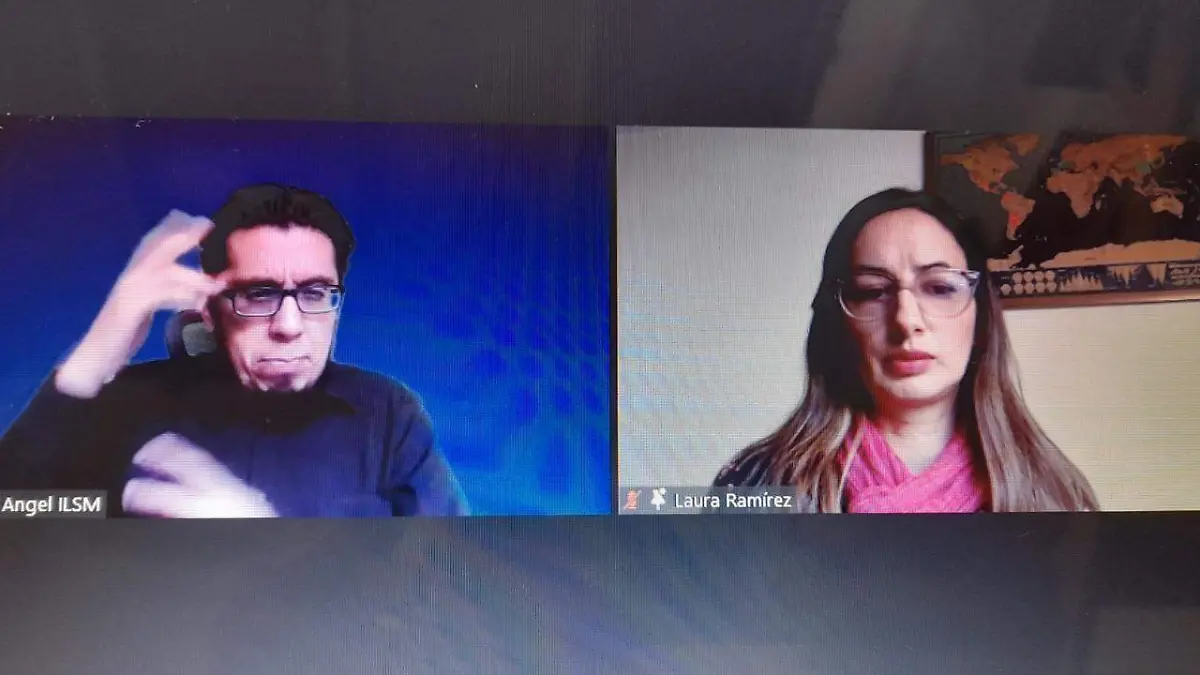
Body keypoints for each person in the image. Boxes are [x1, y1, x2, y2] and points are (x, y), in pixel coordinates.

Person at [0, 184, 470, 518]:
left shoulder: (387, 413)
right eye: (258, 294)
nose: (289, 327)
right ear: (208, 309)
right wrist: (97, 349)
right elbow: (16, 515)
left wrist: (259, 536)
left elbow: (450, 581)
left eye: (315, 293)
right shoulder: (128, 405)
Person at [713, 188, 1098, 513]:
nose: (906, 320)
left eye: (940, 288)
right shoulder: (754, 486)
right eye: (872, 292)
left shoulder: (1056, 493)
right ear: (839, 321)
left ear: (980, 318)